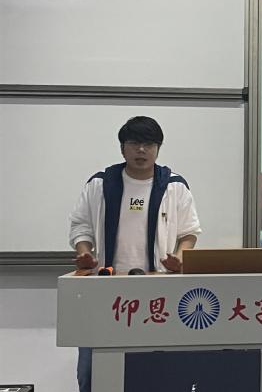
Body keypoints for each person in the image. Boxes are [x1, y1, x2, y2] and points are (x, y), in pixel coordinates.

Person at [68, 116, 202, 392]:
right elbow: (81, 225)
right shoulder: (100, 184)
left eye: (149, 144)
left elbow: (189, 232)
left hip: (157, 292)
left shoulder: (174, 186)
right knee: (93, 372)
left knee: (156, 371)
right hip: (105, 291)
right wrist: (84, 253)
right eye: (134, 143)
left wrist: (180, 257)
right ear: (122, 148)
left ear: (158, 148)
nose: (141, 150)